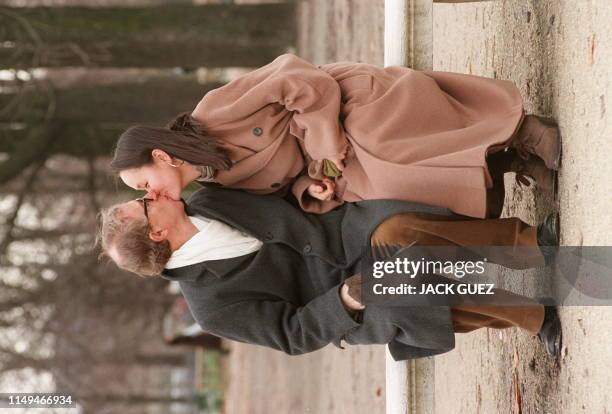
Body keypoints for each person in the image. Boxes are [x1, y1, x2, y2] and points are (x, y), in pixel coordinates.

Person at [97, 186, 563, 359]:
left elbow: (278, 187)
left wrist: (310, 185)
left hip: (344, 233)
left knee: (400, 228)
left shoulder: (205, 197)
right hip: (342, 296)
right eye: (142, 204)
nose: (149, 194)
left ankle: (529, 246)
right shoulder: (211, 307)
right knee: (403, 291)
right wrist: (342, 302)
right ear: (157, 234)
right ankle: (533, 318)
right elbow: (291, 334)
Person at [112, 53, 561, 219]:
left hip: (341, 104)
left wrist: (327, 148)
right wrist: (315, 184)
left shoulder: (212, 111)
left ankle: (522, 130)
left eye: (143, 183)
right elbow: (288, 188)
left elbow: (295, 78)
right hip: (334, 162)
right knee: (376, 192)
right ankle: (502, 163)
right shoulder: (217, 181)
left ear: (160, 155)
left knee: (379, 142)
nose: (150, 195)